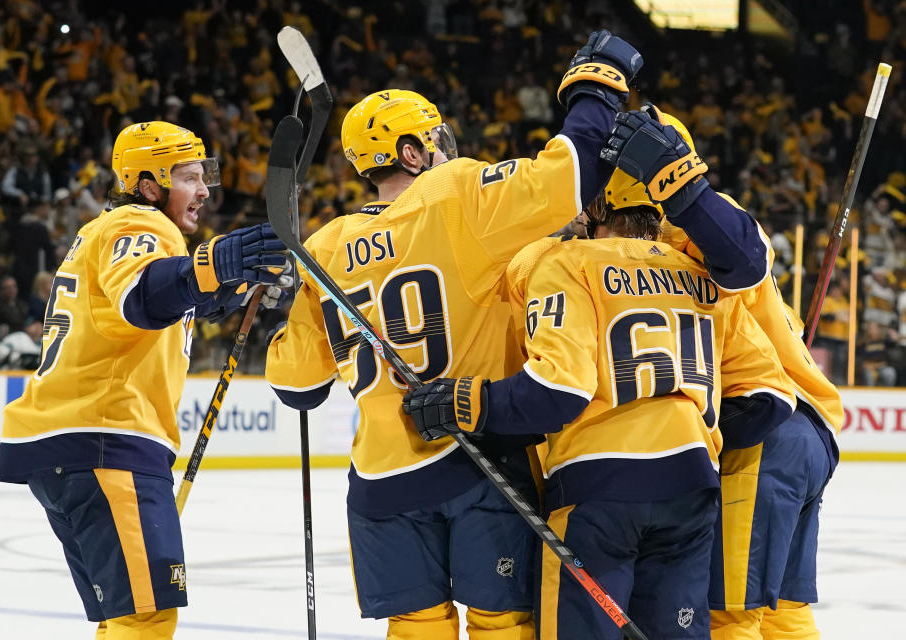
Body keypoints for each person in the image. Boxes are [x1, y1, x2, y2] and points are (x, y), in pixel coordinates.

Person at [265, 30, 644, 640]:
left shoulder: (324, 247)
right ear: (413, 153)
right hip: (478, 457)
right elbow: (570, 172)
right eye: (436, 139)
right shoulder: (458, 193)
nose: (447, 148)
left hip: (382, 480)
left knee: (416, 630)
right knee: (501, 626)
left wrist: (286, 307)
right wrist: (597, 84)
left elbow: (298, 388)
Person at [403, 188, 797, 640]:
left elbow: (557, 391)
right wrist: (687, 429)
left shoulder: (568, 262)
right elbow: (770, 397)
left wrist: (466, 403)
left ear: (594, 210)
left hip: (598, 493)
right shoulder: (704, 275)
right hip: (691, 491)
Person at [0, 121, 292, 640]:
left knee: (125, 616)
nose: (203, 191)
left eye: (204, 178)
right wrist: (218, 262)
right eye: (189, 178)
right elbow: (144, 298)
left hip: (76, 442)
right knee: (147, 615)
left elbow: (166, 297)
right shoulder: (139, 224)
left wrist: (231, 283)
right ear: (150, 184)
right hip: (105, 439)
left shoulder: (115, 231)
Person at [605, 107, 843, 639]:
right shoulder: (703, 220)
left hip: (763, 434)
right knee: (781, 609)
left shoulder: (690, 223)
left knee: (728, 614)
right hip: (803, 431)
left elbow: (743, 259)